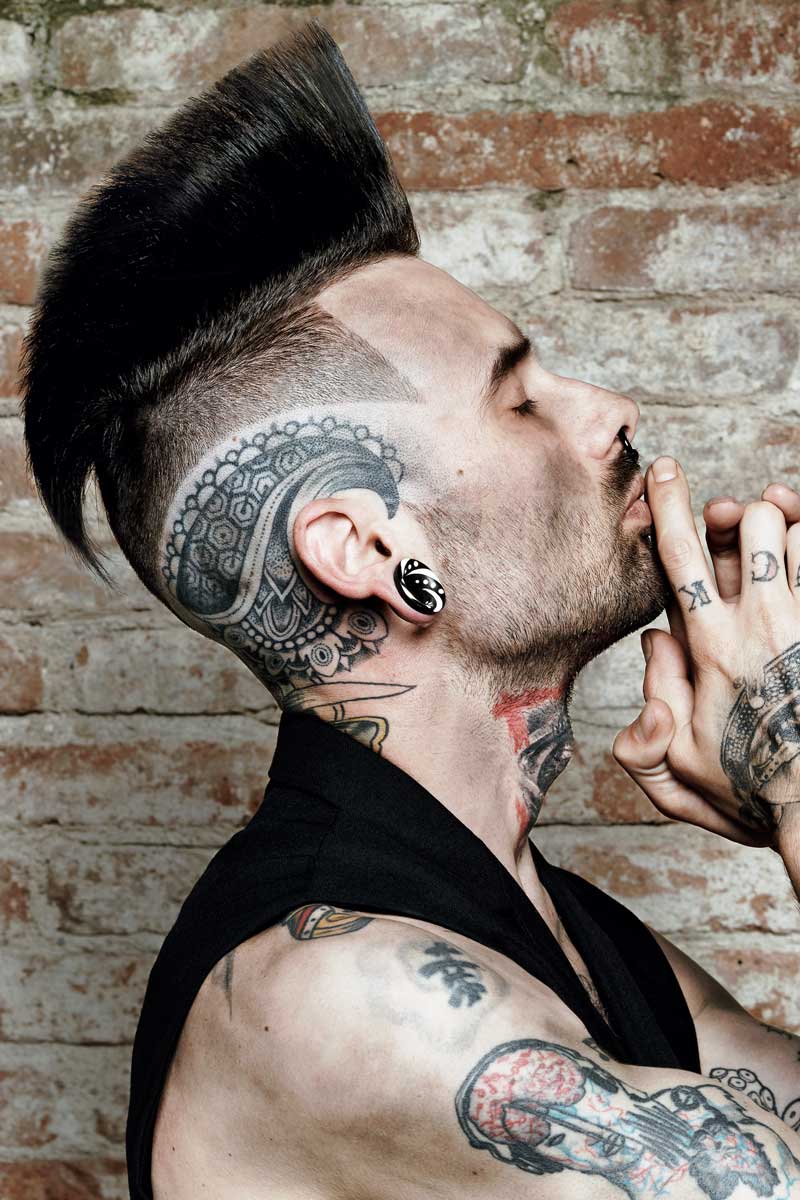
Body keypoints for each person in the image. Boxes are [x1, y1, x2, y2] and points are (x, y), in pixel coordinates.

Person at [17, 17, 800, 1199]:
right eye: (520, 401)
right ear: (376, 551)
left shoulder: (566, 930)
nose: (605, 410)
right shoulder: (337, 993)